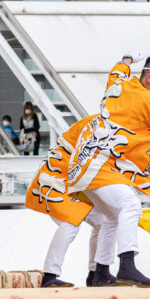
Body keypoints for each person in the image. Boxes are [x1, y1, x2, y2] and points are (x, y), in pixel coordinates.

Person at [64, 53, 150, 287]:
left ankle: (99, 273)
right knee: (130, 205)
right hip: (101, 166)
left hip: (83, 163)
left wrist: (128, 59)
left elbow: (118, 69)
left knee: (113, 217)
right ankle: (126, 266)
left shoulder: (120, 82)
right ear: (149, 77)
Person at [24, 119, 116, 287]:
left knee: (104, 221)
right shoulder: (102, 126)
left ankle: (95, 274)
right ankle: (50, 275)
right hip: (54, 180)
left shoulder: (107, 124)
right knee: (70, 224)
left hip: (71, 183)